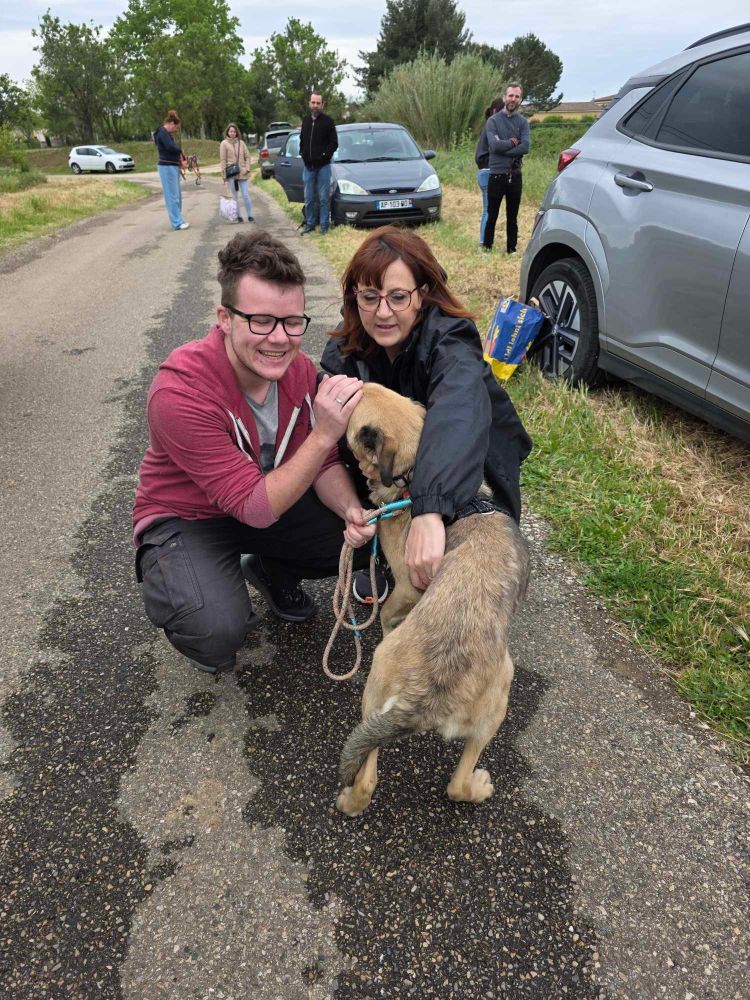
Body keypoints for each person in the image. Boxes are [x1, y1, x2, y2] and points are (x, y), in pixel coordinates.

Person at [133, 230, 373, 675]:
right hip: (191, 517)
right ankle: (187, 590)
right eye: (260, 321)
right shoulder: (180, 392)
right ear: (225, 317)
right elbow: (254, 506)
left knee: (361, 537)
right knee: (216, 628)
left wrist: (352, 510)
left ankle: (268, 570)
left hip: (266, 499)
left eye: (292, 321)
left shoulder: (298, 371)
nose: (279, 339)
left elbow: (320, 463)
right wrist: (324, 433)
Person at [321, 226, 532, 603]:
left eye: (398, 297)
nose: (383, 312)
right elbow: (330, 426)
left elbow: (457, 414)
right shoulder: (343, 349)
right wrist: (356, 469)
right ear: (355, 296)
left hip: (475, 458)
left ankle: (452, 560)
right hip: (398, 469)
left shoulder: (451, 337)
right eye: (370, 297)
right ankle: (390, 561)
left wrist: (428, 510)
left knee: (467, 560)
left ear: (423, 294)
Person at [482, 83, 531, 255]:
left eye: (517, 96)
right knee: (492, 214)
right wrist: (511, 142)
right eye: (511, 95)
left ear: (520, 100)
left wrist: (505, 148)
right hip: (496, 175)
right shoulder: (493, 121)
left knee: (512, 216)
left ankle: (512, 249)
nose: (513, 99)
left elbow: (525, 147)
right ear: (504, 97)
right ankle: (487, 248)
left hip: (515, 175)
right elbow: (494, 146)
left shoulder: (523, 123)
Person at [299, 91, 338, 235]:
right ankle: (310, 224)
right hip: (308, 167)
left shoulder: (328, 121)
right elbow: (302, 140)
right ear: (309, 103)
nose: (315, 105)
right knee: (308, 198)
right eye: (313, 102)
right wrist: (302, 153)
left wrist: (323, 156)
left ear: (322, 104)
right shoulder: (306, 121)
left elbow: (334, 143)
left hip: (323, 167)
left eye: (318, 103)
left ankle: (323, 226)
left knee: (323, 199)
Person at [154, 110, 190, 231]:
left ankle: (179, 219)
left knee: (177, 196)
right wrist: (180, 151)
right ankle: (177, 223)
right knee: (172, 197)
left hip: (172, 167)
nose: (175, 130)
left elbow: (171, 147)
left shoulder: (166, 134)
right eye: (175, 127)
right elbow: (170, 147)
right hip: (166, 167)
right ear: (171, 123)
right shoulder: (162, 133)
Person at [475, 98, 504, 246]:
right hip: (489, 171)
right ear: (495, 111)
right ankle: (484, 242)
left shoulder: (488, 126)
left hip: (483, 171)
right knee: (489, 211)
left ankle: (484, 240)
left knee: (488, 209)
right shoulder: (493, 127)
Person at [220, 123, 254, 224]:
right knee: (235, 196)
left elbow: (247, 156)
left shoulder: (241, 143)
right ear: (227, 132)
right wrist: (224, 175)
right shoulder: (224, 143)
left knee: (246, 195)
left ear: (236, 132)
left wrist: (247, 168)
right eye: (230, 131)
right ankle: (238, 216)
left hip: (243, 173)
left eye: (234, 131)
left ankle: (250, 215)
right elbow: (223, 159)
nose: (232, 133)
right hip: (231, 174)